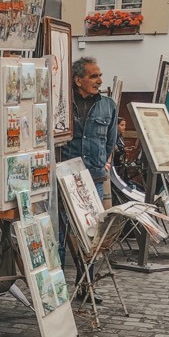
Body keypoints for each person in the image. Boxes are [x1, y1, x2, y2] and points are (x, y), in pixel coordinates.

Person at [58, 57, 117, 298]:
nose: (99, 80)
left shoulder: (108, 105)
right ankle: (58, 291)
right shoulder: (63, 103)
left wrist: (101, 162)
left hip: (92, 179)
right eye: (93, 76)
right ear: (77, 80)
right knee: (60, 235)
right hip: (63, 177)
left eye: (99, 75)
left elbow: (110, 142)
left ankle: (87, 287)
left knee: (91, 235)